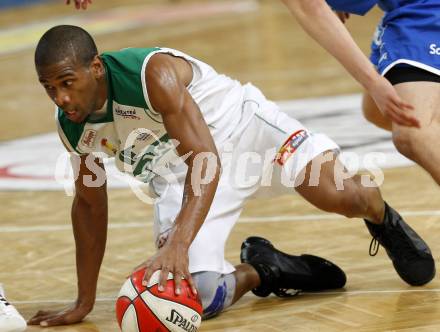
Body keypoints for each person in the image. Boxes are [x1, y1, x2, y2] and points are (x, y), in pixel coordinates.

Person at [30, 25, 434, 327]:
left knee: (340, 195)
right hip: (180, 177)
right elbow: (87, 205)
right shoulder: (72, 125)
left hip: (243, 132)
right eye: (49, 88)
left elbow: (206, 156)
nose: (61, 98)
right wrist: (83, 301)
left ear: (96, 68)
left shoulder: (151, 75)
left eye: (68, 83)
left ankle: (381, 216)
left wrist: (179, 243)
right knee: (193, 298)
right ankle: (267, 268)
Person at [282, 0, 440, 185]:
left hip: (423, 10)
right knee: (377, 111)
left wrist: (373, 82)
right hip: (406, 9)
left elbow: (309, 6)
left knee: (413, 132)